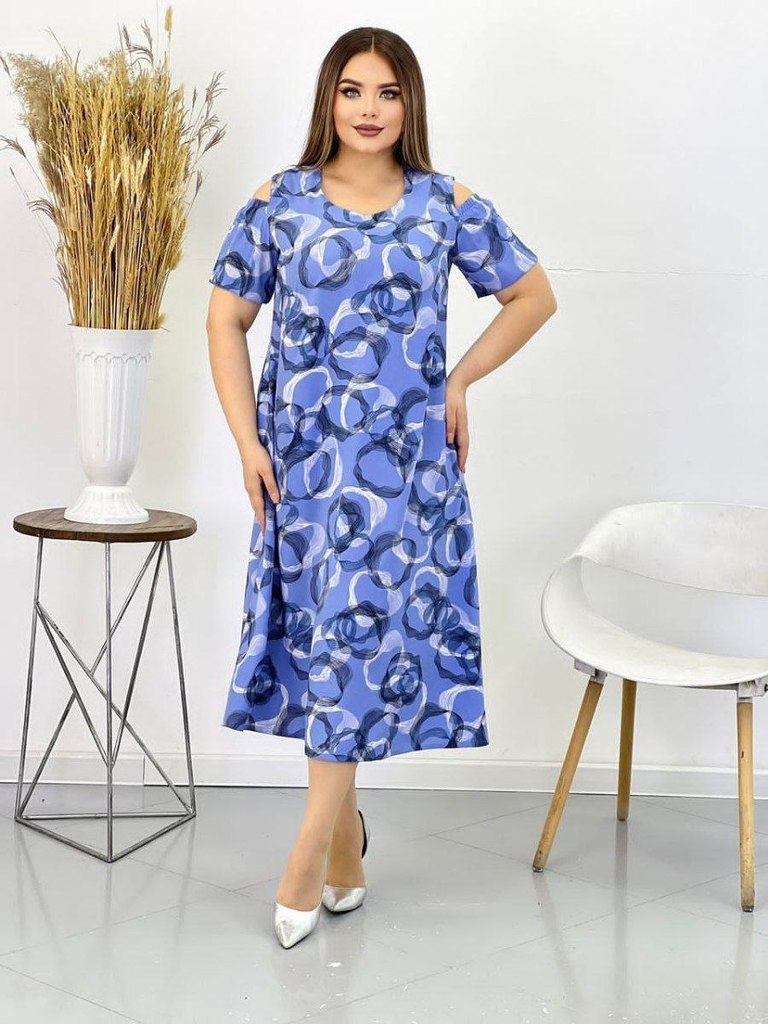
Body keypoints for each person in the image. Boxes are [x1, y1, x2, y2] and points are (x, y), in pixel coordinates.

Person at [205, 26, 557, 949]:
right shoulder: (279, 201)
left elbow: (532, 296)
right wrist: (245, 441)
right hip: (304, 471)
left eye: (389, 92)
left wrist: (459, 379)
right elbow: (225, 319)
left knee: (354, 640)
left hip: (407, 474)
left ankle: (310, 847)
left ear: (411, 105)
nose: (369, 109)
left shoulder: (446, 204)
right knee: (331, 643)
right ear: (329, 98)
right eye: (353, 90)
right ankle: (346, 844)